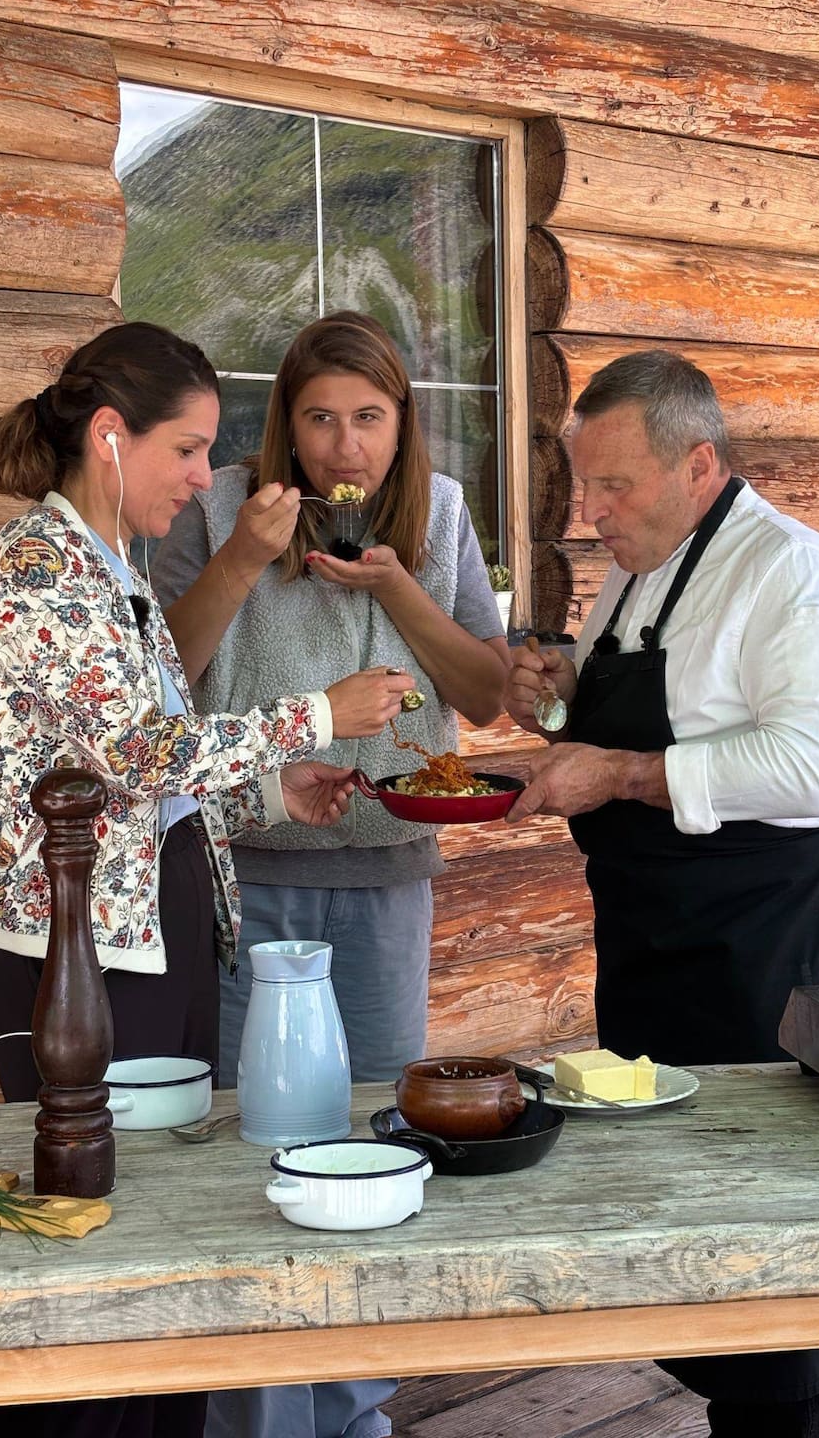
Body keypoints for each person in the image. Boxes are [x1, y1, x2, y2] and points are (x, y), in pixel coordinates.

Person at [0, 321, 416, 1438]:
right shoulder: (38, 565)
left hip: (149, 934)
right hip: (74, 965)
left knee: (161, 1252)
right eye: (188, 451)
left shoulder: (107, 569)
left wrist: (271, 791)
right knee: (92, 1283)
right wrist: (318, 712)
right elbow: (139, 754)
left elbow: (144, 777)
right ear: (110, 438)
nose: (206, 479)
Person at [151, 310, 509, 1438]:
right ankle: (253, 1416)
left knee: (368, 1142)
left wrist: (399, 590)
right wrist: (245, 557)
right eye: (319, 419)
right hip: (244, 871)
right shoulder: (216, 511)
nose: (345, 446)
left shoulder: (441, 514)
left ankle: (354, 1411)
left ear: (403, 424)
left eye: (369, 418)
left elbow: (490, 693)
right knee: (257, 1143)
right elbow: (162, 679)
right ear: (285, 429)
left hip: (386, 870)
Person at [503, 349, 819, 1438]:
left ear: (699, 464)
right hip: (654, 940)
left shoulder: (789, 570)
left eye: (613, 486)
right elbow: (637, 717)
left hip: (757, 945)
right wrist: (560, 700)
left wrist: (613, 772)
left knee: (767, 1243)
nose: (592, 513)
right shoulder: (636, 567)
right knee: (684, 1212)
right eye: (584, 486)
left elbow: (810, 769)